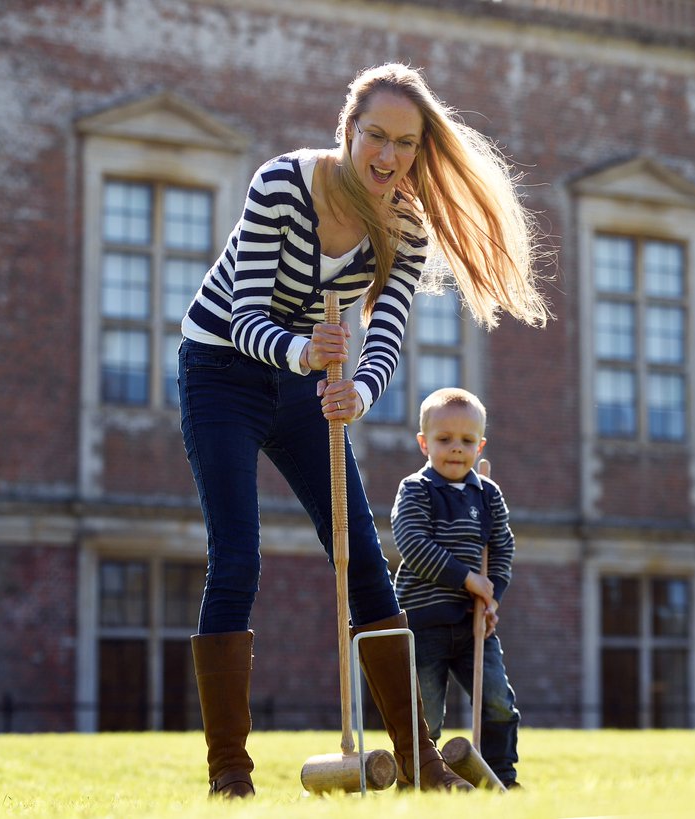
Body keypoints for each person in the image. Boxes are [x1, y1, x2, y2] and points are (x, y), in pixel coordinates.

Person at [177, 62, 548, 798]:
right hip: (221, 366)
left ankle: (418, 759)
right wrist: (305, 353)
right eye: (375, 135)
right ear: (347, 131)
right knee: (237, 556)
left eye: (405, 143)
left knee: (363, 559)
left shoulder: (405, 221)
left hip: (308, 379)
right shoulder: (282, 184)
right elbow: (248, 311)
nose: (388, 155)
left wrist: (360, 394)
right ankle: (230, 771)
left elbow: (385, 337)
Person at [391, 387, 521, 789]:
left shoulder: (488, 494)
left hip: (472, 624)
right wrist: (469, 580)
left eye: (467, 441)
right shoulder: (415, 490)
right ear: (423, 443)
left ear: (480, 445)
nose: (456, 449)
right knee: (426, 712)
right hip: (424, 623)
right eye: (444, 440)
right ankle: (418, 780)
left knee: (498, 701)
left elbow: (502, 547)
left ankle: (500, 779)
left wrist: (491, 596)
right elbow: (413, 546)